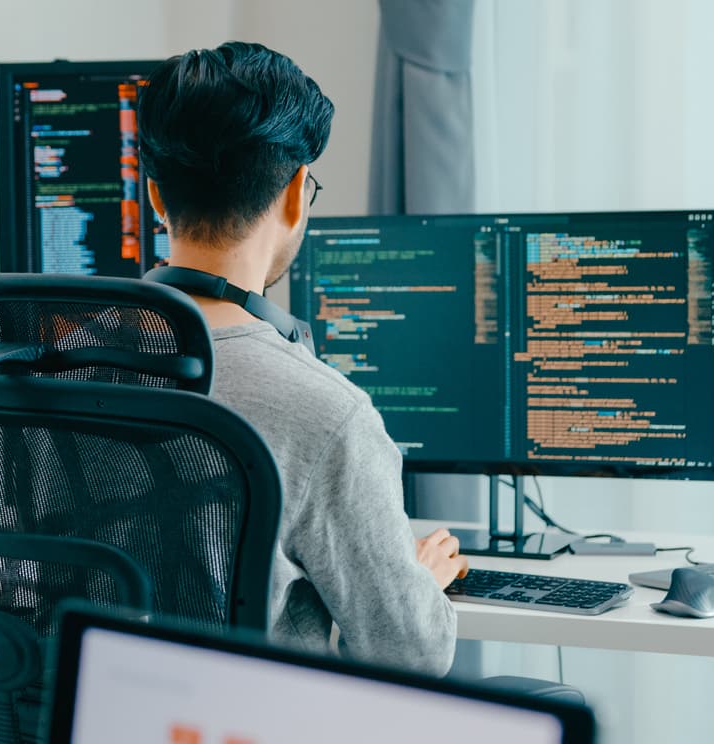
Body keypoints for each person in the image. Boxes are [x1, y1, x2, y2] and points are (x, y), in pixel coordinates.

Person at [138, 41, 467, 676]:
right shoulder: (326, 413)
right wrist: (416, 579)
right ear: (295, 194)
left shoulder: (44, 364)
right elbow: (413, 656)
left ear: (155, 197)